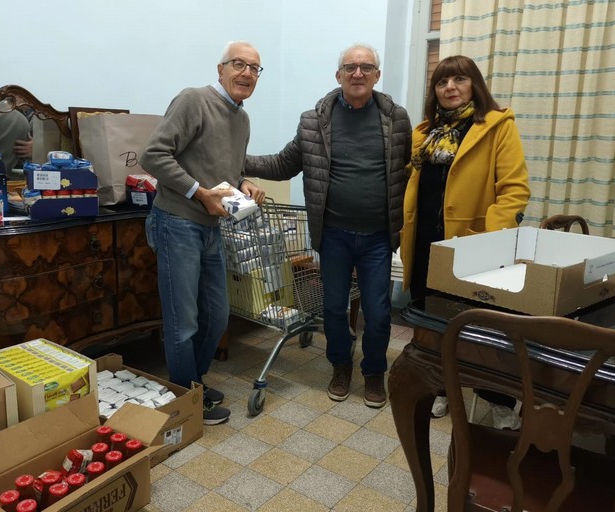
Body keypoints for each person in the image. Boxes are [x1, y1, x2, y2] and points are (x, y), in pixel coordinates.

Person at [245, 43, 412, 408]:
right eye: (350, 67)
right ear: (338, 75)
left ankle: (373, 373)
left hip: (378, 237)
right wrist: (237, 162)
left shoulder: (396, 119)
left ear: (377, 76)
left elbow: (405, 167)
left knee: (379, 310)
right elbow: (284, 164)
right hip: (333, 233)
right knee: (334, 307)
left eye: (366, 67)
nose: (357, 73)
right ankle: (340, 365)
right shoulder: (313, 120)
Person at [400, 55, 530, 428]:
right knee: (435, 322)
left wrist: (488, 239)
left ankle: (499, 402)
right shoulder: (424, 134)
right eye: (442, 82)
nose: (450, 88)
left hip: (473, 245)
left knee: (483, 330)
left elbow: (514, 190)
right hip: (426, 244)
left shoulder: (497, 126)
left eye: (459, 79)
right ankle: (442, 388)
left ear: (475, 84)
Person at [139, 41, 266, 425]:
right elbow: (153, 155)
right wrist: (198, 192)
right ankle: (187, 397)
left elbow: (226, 170)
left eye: (255, 68)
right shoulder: (193, 100)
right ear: (221, 68)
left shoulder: (242, 119)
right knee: (184, 319)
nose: (246, 73)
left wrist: (244, 183)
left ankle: (191, 384)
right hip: (177, 221)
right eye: (238, 64)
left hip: (212, 226)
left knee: (217, 315)